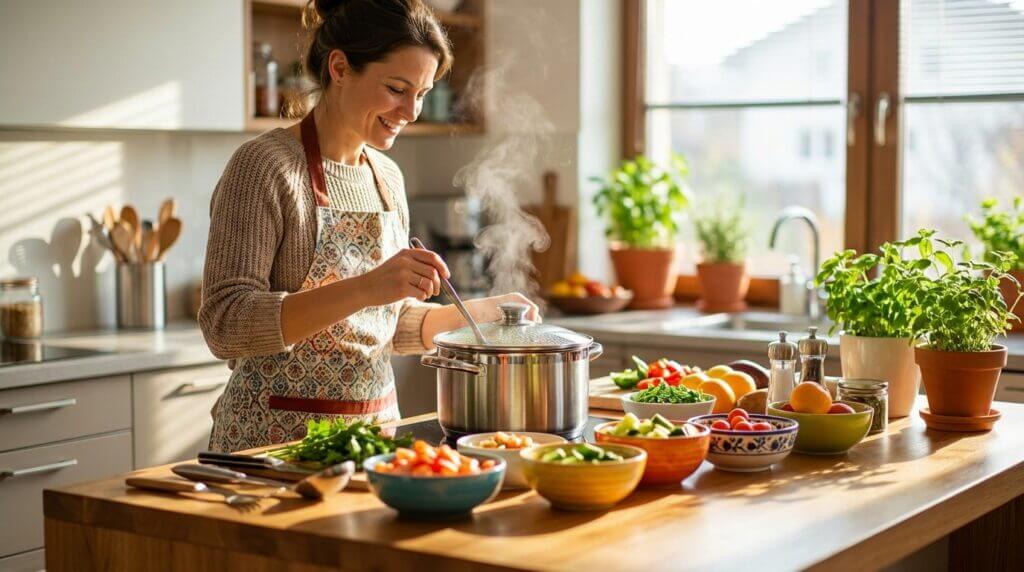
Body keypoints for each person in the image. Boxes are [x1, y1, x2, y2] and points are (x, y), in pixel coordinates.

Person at [200, 0, 538, 452]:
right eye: (398, 88)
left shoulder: (387, 178)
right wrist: (367, 287)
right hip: (271, 450)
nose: (412, 111)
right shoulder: (265, 168)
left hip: (372, 441)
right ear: (339, 68)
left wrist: (481, 315)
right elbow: (225, 324)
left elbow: (386, 328)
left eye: (421, 93)